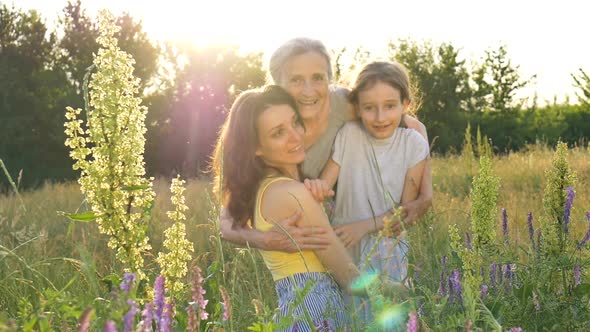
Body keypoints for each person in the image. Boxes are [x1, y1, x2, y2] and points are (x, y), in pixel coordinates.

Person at [220, 38, 432, 252]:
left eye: (318, 78)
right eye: (296, 80)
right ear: (277, 86)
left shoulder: (343, 105)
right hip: (305, 236)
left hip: (351, 224)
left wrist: (426, 195)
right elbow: (227, 223)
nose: (308, 91)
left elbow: (415, 128)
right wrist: (265, 240)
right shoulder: (267, 135)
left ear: (329, 79)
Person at [211, 85, 362, 331]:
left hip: (295, 312)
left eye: (294, 123)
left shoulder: (260, 189)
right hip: (316, 312)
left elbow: (225, 223)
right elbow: (349, 278)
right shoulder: (293, 194)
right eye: (278, 132)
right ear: (256, 147)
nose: (296, 136)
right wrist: (403, 292)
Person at [318, 61, 429, 325]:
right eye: (369, 108)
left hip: (388, 250)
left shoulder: (413, 144)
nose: (380, 117)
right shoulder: (349, 134)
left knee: (386, 320)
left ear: (406, 104)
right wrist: (315, 189)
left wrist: (363, 227)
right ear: (357, 108)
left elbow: (406, 210)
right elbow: (325, 184)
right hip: (345, 250)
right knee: (349, 320)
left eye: (390, 106)